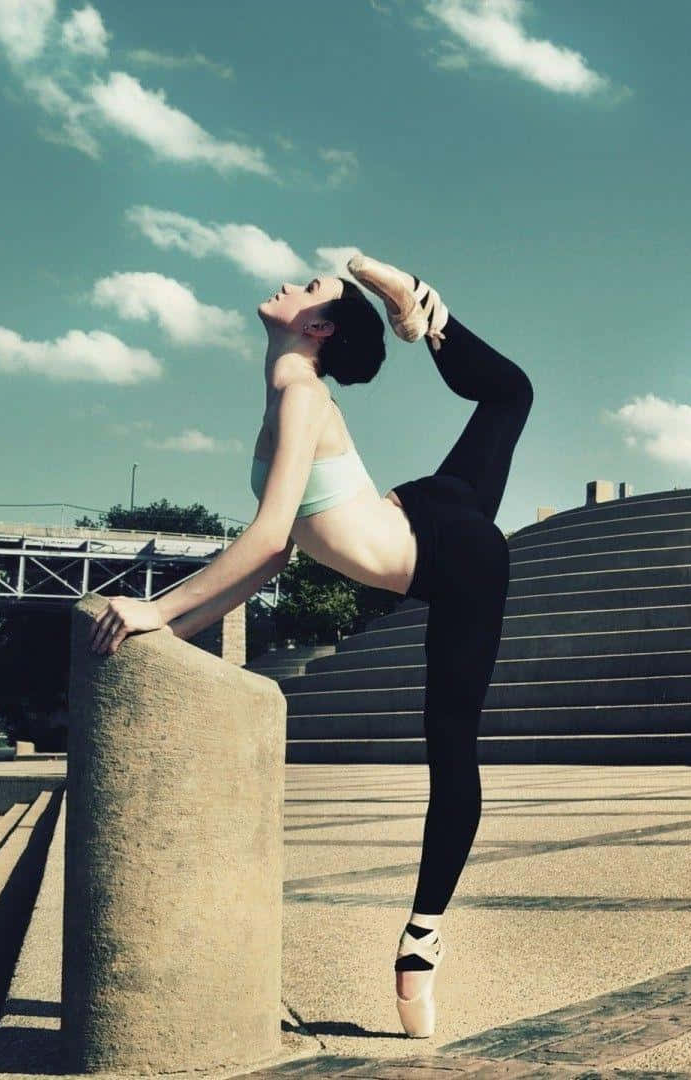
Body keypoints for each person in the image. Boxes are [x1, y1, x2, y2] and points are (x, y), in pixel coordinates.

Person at [86, 253, 533, 1039]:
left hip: (458, 556)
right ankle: (424, 314)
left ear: (316, 328)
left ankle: (422, 940)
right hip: (426, 513)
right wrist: (174, 631)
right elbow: (278, 551)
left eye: (309, 289)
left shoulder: (300, 393)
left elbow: (264, 544)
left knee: (451, 749)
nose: (290, 286)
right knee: (510, 394)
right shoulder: (287, 392)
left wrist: (157, 610)